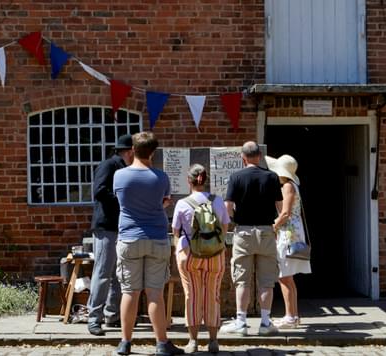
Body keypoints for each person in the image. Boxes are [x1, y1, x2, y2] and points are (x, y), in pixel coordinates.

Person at [113, 132, 183, 356]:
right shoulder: (161, 177)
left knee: (129, 292)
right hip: (156, 237)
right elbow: (161, 203)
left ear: (133, 149)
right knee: (155, 294)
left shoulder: (120, 176)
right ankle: (162, 343)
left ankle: (125, 342)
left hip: (129, 237)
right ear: (153, 152)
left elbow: (123, 201)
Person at [220, 141, 283, 336]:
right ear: (260, 156)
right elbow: (280, 209)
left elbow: (227, 208)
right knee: (267, 281)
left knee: (242, 280)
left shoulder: (236, 177)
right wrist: (275, 226)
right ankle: (265, 322)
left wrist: (234, 221)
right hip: (266, 231)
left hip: (244, 232)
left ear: (243, 157)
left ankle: (241, 322)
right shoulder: (271, 177)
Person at [172, 164, 230, 353]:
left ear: (189, 181)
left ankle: (193, 341)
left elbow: (175, 232)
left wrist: (178, 252)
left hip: (190, 255)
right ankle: (213, 341)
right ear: (205, 181)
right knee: (213, 295)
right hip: (215, 255)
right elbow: (224, 228)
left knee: (192, 296)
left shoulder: (182, 203)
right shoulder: (218, 201)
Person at [87, 134, 134, 336]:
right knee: (103, 272)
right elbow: (98, 191)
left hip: (119, 226)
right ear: (129, 151)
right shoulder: (109, 165)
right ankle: (93, 318)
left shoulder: (124, 168)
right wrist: (121, 199)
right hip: (106, 225)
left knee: (117, 274)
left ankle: (111, 314)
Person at [267, 155, 311, 329]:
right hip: (294, 232)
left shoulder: (287, 186)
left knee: (284, 276)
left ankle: (290, 316)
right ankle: (293, 315)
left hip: (288, 234)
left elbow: (285, 214)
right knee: (288, 278)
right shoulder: (293, 186)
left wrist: (272, 228)